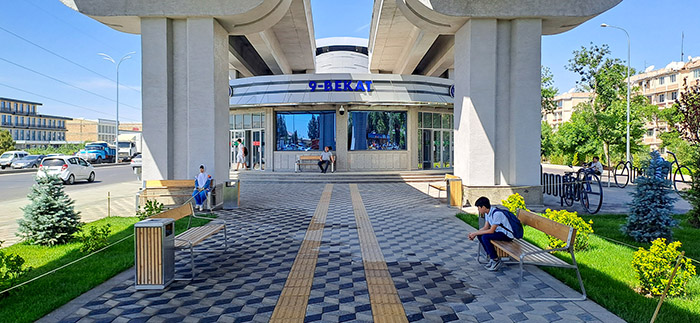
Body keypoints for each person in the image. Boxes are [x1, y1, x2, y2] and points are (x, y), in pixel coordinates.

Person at [467, 197, 514, 271]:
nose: (478, 210)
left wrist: (475, 233)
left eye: (478, 208)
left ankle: (495, 260)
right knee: (481, 235)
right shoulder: (487, 213)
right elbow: (486, 227)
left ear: (484, 207)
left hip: (507, 235)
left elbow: (491, 231)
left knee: (485, 237)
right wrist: (475, 233)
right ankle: (491, 257)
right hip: (498, 232)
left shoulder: (496, 214)